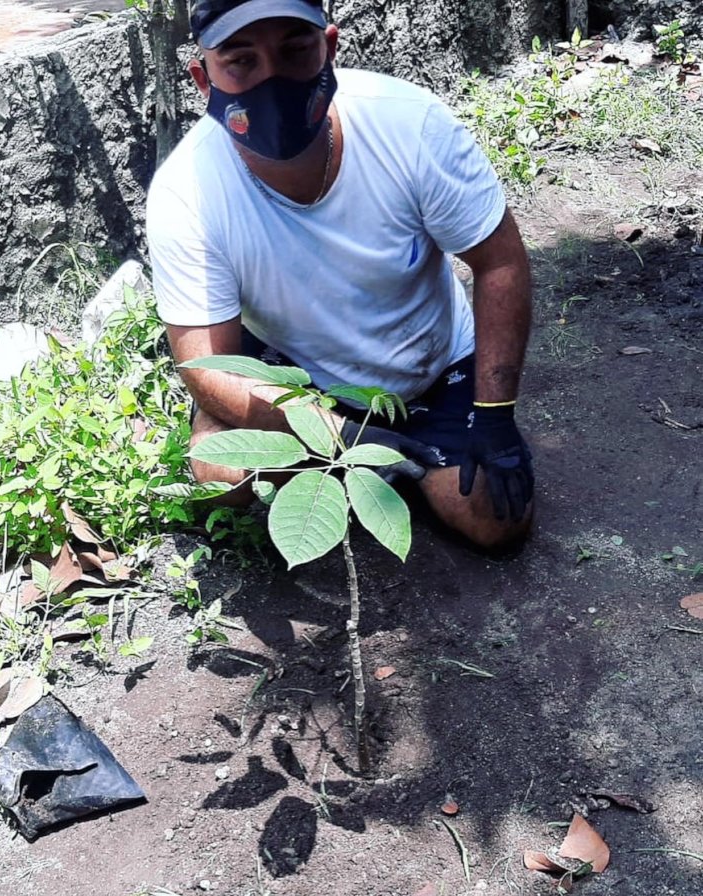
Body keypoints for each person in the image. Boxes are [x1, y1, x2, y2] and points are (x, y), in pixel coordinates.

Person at [146, 0, 534, 550]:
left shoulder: (409, 125)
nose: (272, 80)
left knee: (495, 519)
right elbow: (204, 363)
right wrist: (342, 434)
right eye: (242, 61)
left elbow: (500, 261)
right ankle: (355, 458)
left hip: (430, 362)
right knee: (223, 477)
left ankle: (402, 454)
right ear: (203, 79)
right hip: (294, 375)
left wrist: (495, 415)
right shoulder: (186, 191)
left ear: (329, 48)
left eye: (294, 50)